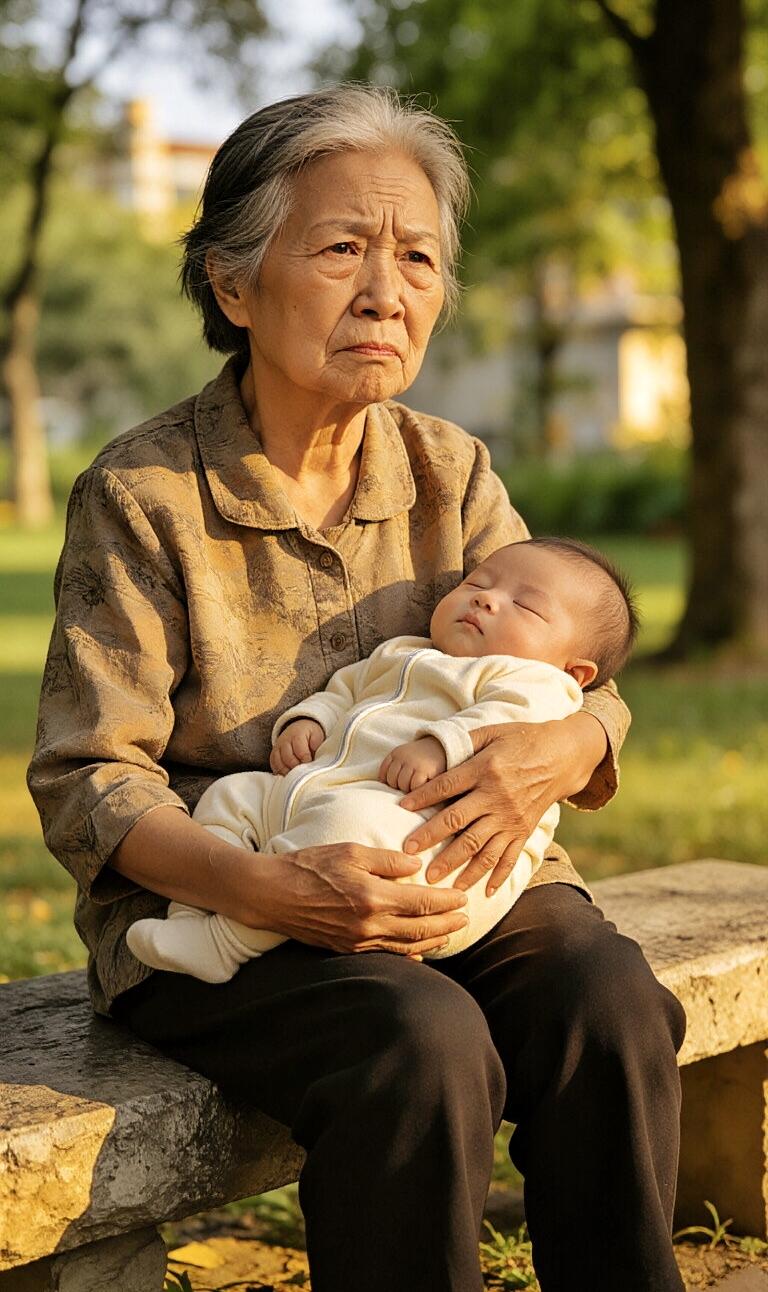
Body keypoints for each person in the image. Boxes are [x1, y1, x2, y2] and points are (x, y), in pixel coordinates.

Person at [27, 85, 686, 1292]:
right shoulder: (143, 495)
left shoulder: (453, 467)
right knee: (419, 1042)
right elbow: (86, 780)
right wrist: (275, 881)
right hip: (226, 908)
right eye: (342, 248)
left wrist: (578, 738)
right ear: (234, 286)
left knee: (609, 995)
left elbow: (575, 657)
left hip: (456, 877)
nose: (389, 289)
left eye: (420, 257)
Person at [126, 536, 640, 982]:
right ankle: (194, 916)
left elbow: (516, 719)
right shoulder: (402, 652)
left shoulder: (538, 682)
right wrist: (310, 722)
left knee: (345, 828)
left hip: (424, 840)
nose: (486, 601)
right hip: (321, 792)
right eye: (477, 583)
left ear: (576, 673)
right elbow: (344, 689)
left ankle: (230, 942)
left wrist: (442, 745)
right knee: (231, 796)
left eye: (525, 607)